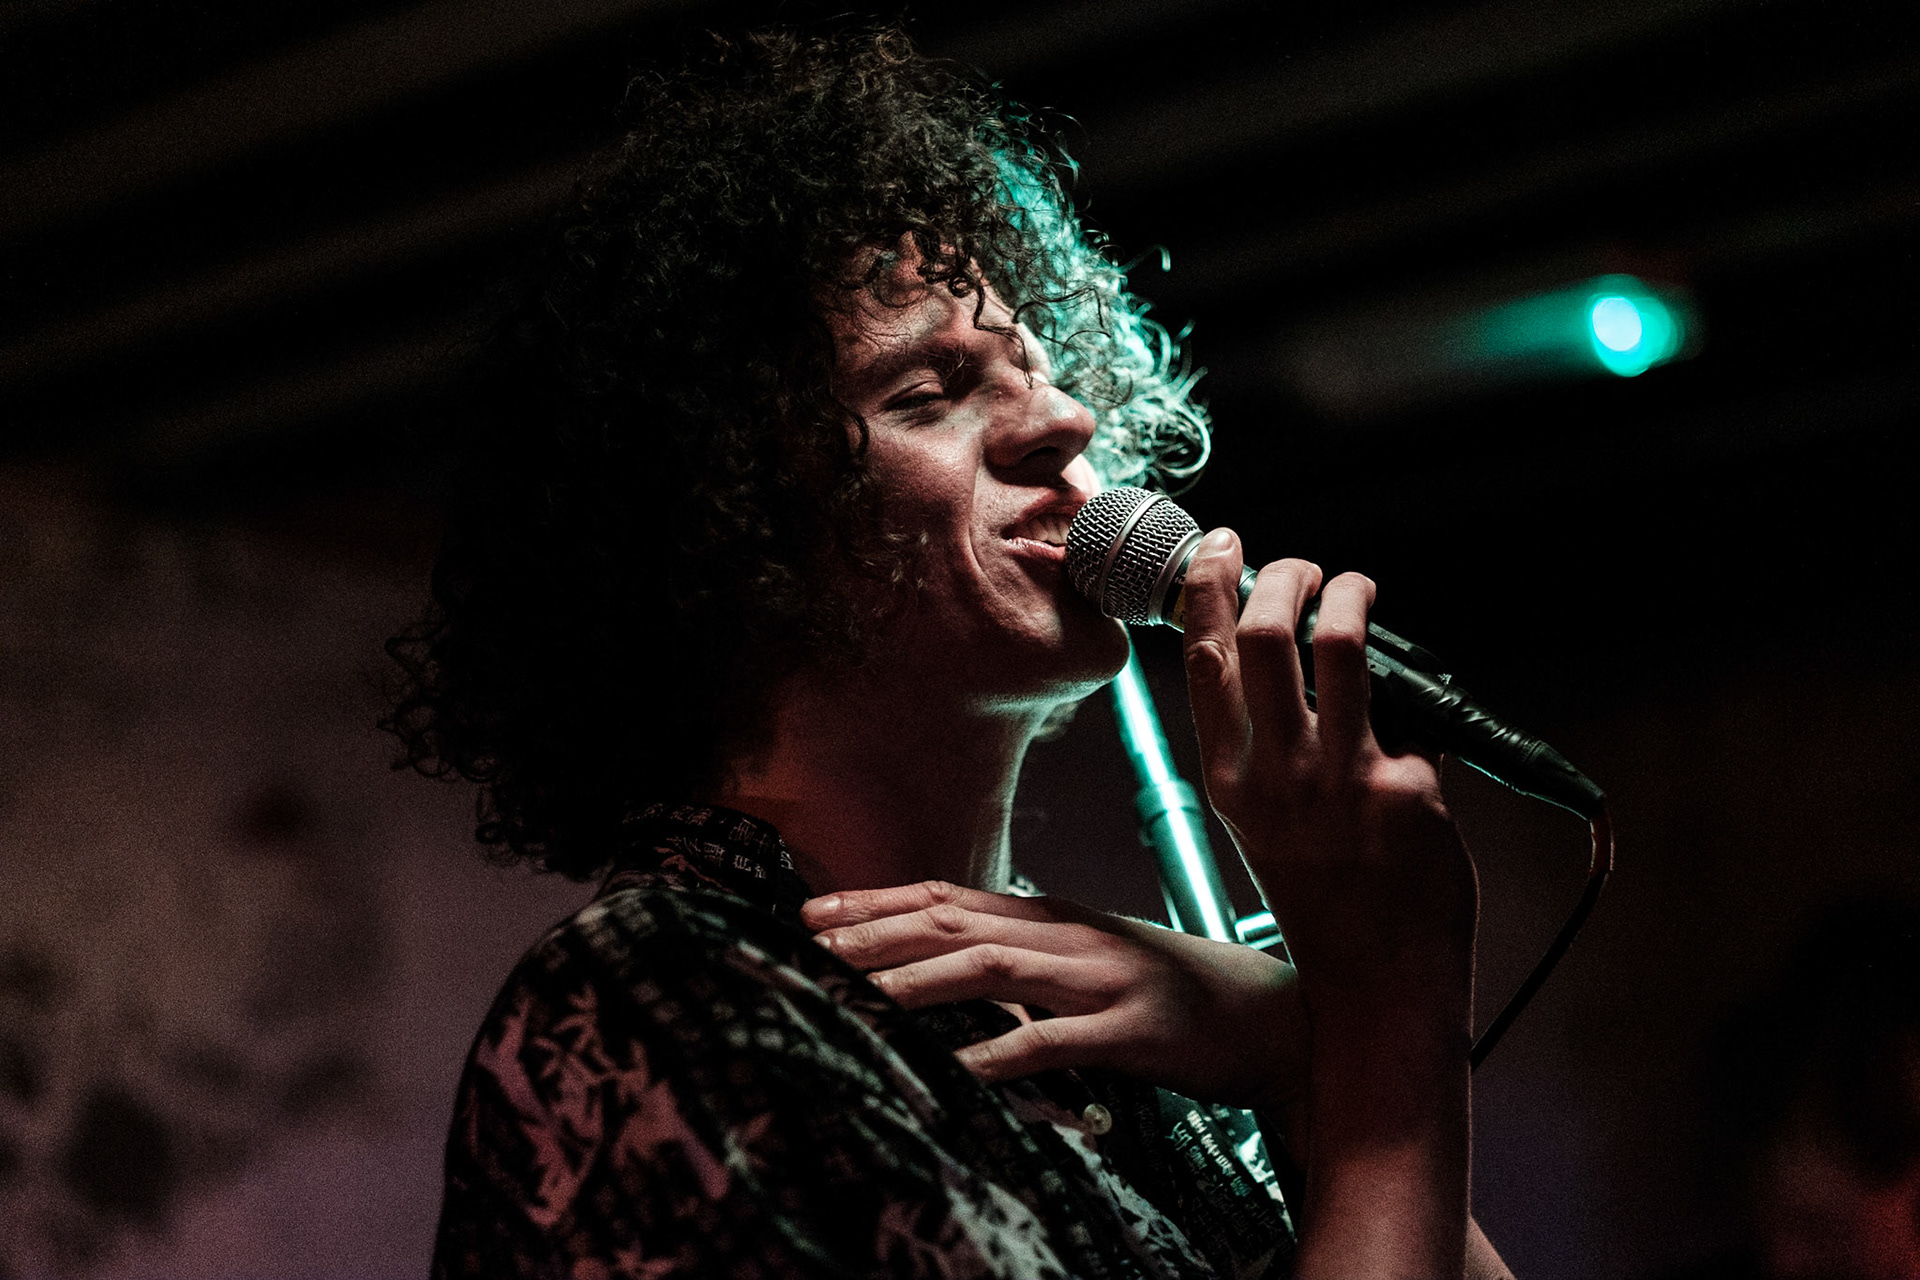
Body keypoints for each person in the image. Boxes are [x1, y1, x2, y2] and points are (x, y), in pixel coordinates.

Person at [387, 24, 1507, 1278]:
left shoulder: (1145, 1028)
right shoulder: (651, 1002)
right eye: (928, 392)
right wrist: (1387, 1018)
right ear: (723, 514)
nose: (1065, 418)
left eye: (1039, 367)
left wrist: (1305, 1050)